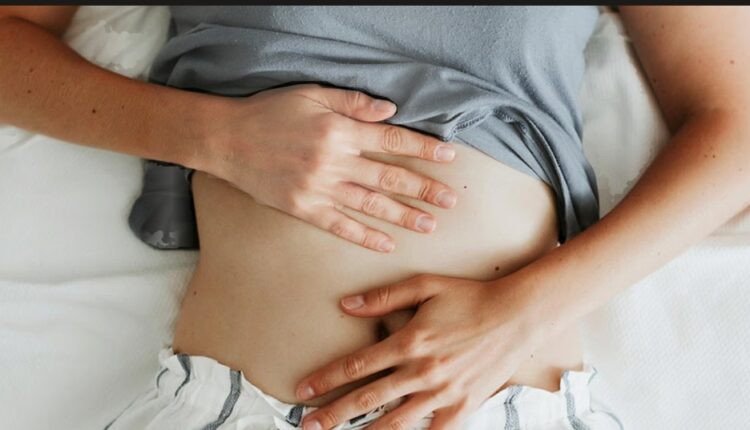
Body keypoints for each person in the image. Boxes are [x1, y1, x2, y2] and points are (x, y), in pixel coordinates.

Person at [1, 5, 748, 430]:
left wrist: (522, 313)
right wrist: (217, 138)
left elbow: (738, 130)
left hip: (503, 400)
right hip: (239, 406)